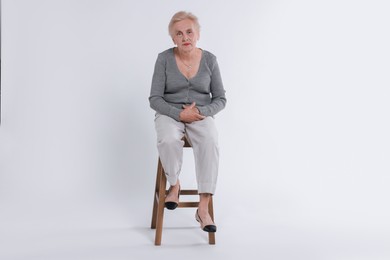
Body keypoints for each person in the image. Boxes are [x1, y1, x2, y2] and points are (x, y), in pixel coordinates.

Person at [149, 11, 226, 233]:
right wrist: (178, 114)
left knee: (211, 140)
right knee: (168, 139)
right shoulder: (164, 59)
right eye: (179, 34)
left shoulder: (210, 60)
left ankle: (202, 209)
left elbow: (221, 99)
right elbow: (154, 98)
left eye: (189, 32)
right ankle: (174, 184)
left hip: (201, 115)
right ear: (173, 38)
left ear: (198, 34)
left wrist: (201, 111)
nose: (185, 37)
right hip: (169, 114)